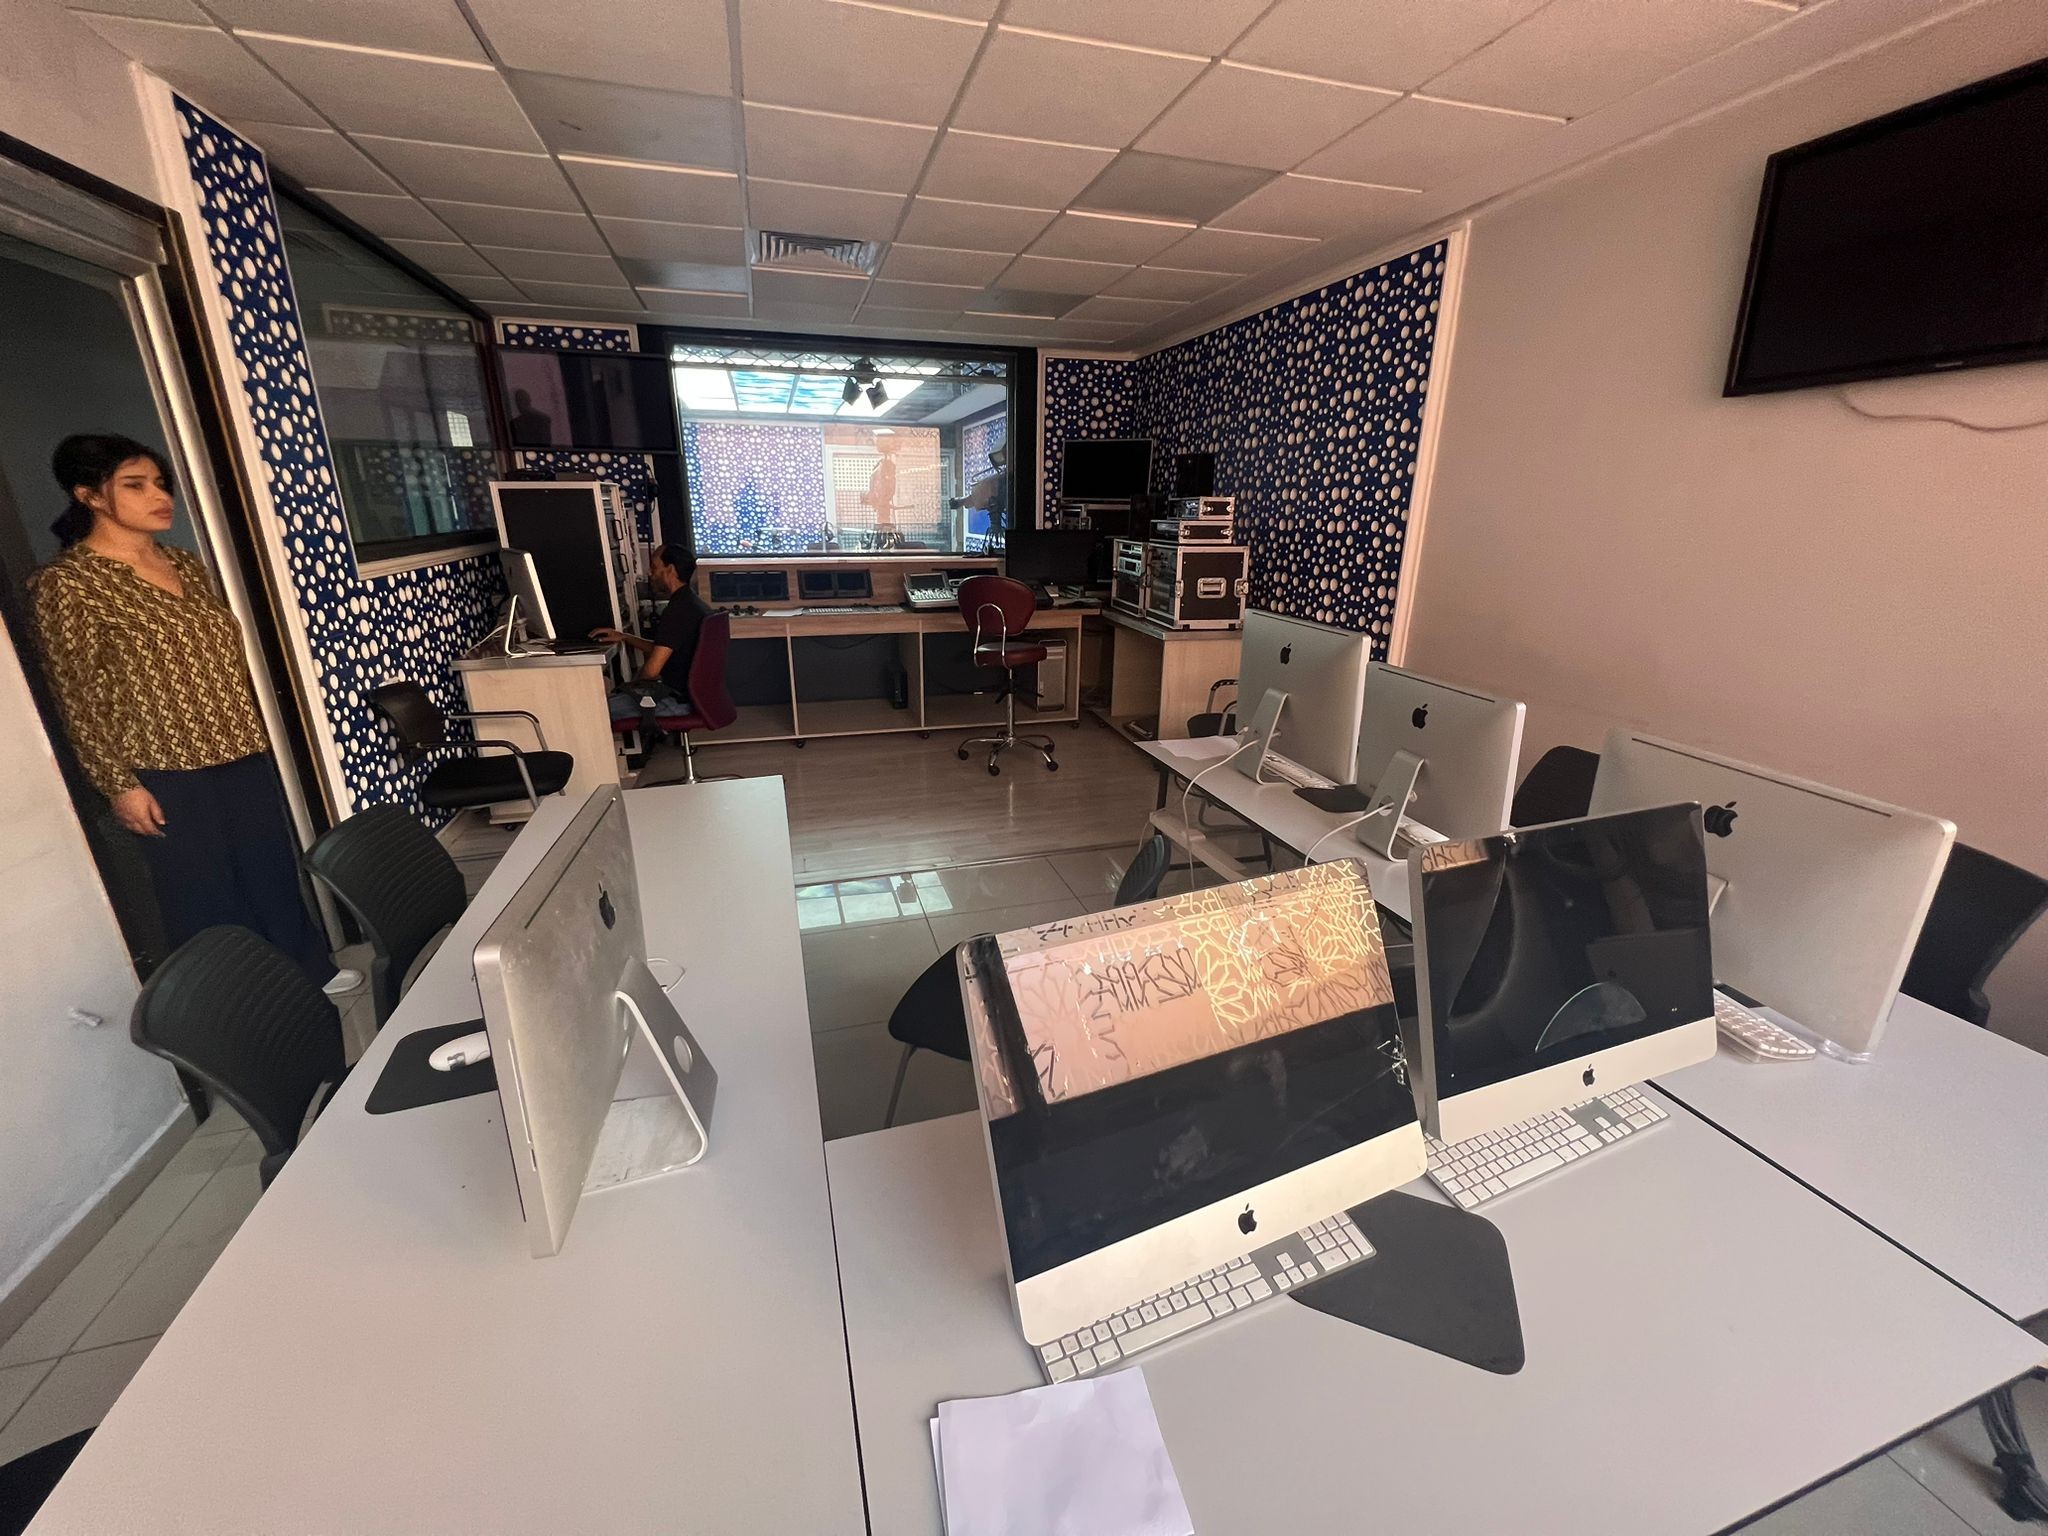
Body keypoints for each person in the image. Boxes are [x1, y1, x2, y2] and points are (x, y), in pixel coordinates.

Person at [29, 434, 359, 995]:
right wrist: (118, 785)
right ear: (90, 495)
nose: (160, 497)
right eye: (135, 486)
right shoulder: (70, 584)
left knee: (271, 871)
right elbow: (75, 696)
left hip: (238, 749)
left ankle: (307, 972)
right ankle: (240, 996)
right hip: (162, 767)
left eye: (161, 484)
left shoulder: (184, 563)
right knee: (204, 892)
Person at [592, 543, 711, 723]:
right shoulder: (692, 603)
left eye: (654, 567)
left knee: (592, 708)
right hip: (691, 697)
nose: (650, 573)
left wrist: (629, 689)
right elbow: (661, 650)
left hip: (674, 701)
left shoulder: (677, 611)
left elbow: (651, 671)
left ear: (670, 569)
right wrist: (624, 637)